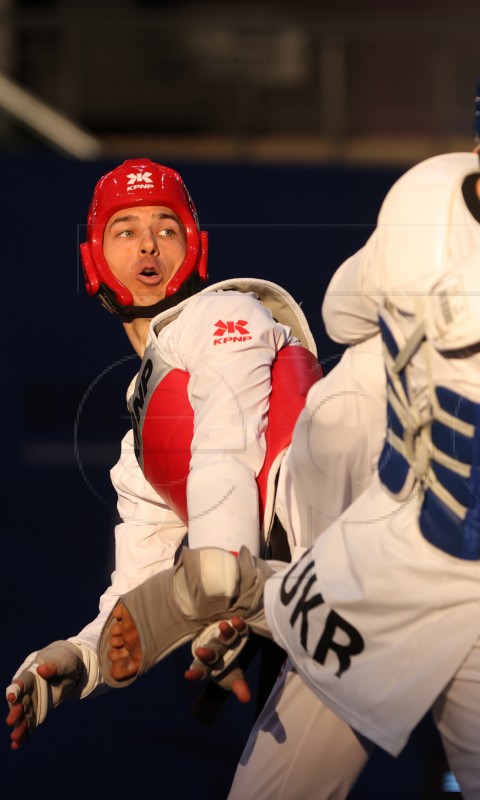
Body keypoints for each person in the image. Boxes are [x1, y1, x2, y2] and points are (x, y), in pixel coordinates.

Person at [99, 4, 480, 800]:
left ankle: (245, 595)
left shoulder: (424, 190)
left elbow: (342, 314)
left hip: (371, 558)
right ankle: (244, 595)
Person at [4, 158, 322, 748]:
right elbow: (136, 587)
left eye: (166, 228)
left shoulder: (222, 313)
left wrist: (223, 576)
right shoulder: (139, 442)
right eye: (124, 230)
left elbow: (227, 446)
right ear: (94, 260)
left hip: (355, 555)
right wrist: (81, 661)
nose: (148, 243)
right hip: (303, 602)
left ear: (194, 249)